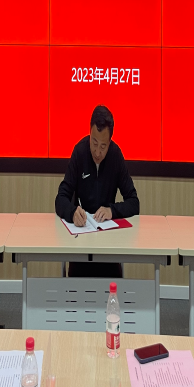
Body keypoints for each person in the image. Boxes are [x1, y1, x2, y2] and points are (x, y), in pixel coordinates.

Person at [55, 104, 139, 277]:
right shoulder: (80, 152)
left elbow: (134, 202)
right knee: (76, 286)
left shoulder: (115, 155)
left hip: (108, 244)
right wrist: (72, 212)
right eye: (94, 143)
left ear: (110, 142)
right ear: (89, 133)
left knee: (111, 286)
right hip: (81, 242)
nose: (97, 152)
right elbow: (61, 198)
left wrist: (112, 210)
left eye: (103, 146)